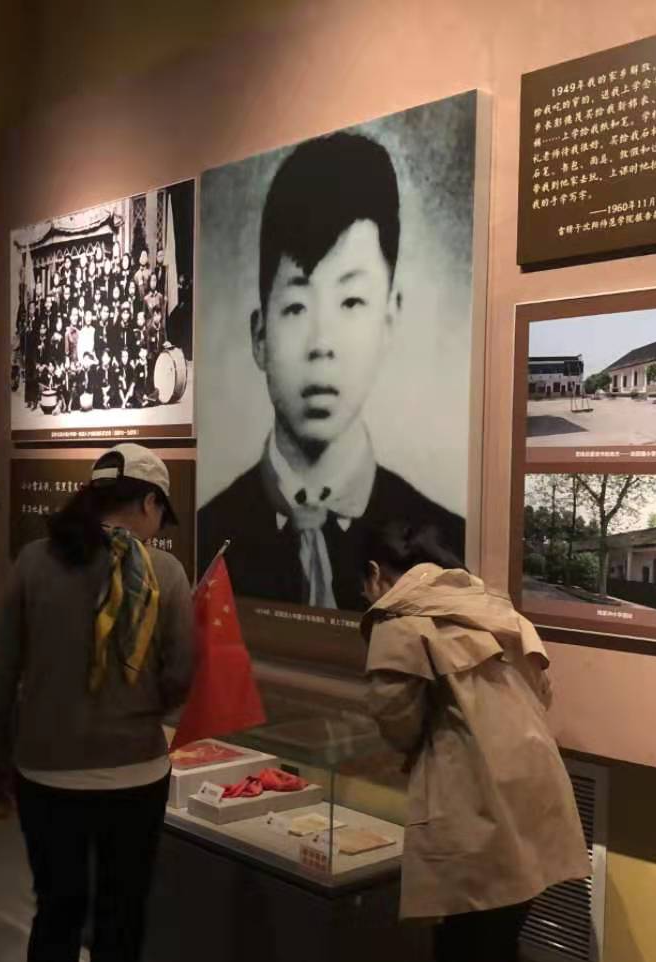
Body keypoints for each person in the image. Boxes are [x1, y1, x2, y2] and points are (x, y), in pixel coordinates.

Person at [0, 444, 195, 962]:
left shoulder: (32, 562)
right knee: (120, 919)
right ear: (150, 502)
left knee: (56, 909)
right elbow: (180, 679)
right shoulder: (165, 573)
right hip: (135, 774)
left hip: (46, 771)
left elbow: (2, 674)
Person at [197, 131, 465, 612]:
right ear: (260, 336)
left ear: (388, 320)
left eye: (351, 301)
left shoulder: (447, 544)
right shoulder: (205, 538)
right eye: (296, 306)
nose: (321, 344)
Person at [359, 522, 588, 962]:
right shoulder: (491, 606)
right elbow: (544, 691)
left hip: (476, 806)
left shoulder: (398, 620)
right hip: (534, 793)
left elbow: (395, 718)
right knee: (498, 959)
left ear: (374, 574)